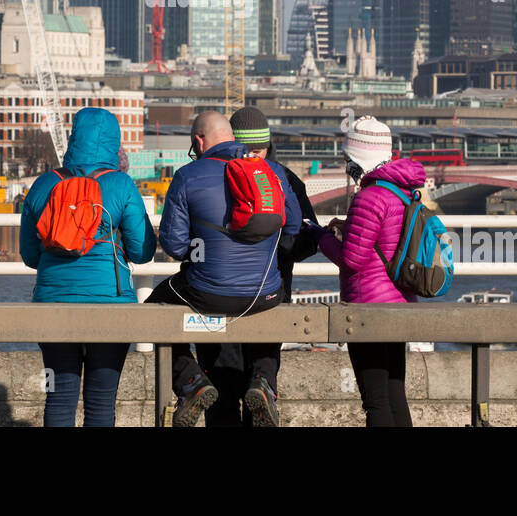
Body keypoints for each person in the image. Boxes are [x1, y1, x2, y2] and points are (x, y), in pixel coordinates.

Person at [146, 110, 301, 427]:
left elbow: (174, 247)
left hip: (208, 295)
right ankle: (264, 382)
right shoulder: (271, 171)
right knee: (277, 300)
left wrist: (204, 248)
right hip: (265, 294)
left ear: (199, 141)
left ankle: (191, 382)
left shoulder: (188, 176)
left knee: (150, 310)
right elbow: (294, 226)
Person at [19, 107, 156, 427]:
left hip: (52, 310)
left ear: (73, 137)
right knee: (101, 401)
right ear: (115, 142)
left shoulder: (43, 184)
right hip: (110, 308)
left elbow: (29, 255)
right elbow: (142, 252)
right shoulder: (121, 185)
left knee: (58, 396)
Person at [199, 106, 320, 427]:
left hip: (217, 303)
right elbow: (304, 242)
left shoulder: (209, 176)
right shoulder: (286, 179)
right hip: (271, 298)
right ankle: (263, 388)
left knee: (222, 399)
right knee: (261, 393)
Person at [316, 116, 425, 427]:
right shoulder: (402, 192)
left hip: (369, 310)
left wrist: (321, 238)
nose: (344, 163)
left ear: (357, 158)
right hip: (398, 306)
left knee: (375, 402)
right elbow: (383, 241)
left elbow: (352, 259)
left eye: (347, 157)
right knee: (395, 394)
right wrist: (347, 228)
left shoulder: (369, 196)